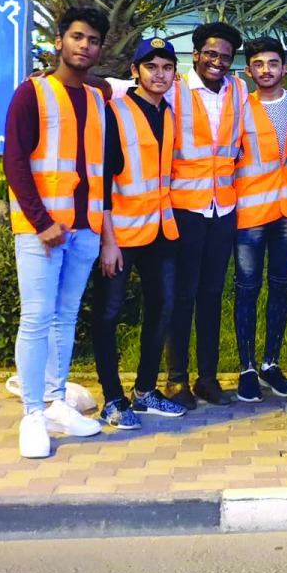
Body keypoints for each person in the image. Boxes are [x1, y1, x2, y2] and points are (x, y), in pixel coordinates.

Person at [4, 7, 108, 458]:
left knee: (65, 319)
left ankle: (57, 401)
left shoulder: (99, 98)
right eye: (78, 37)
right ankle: (31, 414)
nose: (85, 46)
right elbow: (15, 162)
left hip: (86, 229)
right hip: (42, 230)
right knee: (36, 318)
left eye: (92, 40)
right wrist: (42, 223)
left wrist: (103, 233)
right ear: (59, 41)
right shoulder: (32, 94)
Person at [94, 37, 185, 428]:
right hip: (121, 234)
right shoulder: (115, 113)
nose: (159, 74)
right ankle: (113, 399)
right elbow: (101, 181)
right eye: (151, 67)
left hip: (160, 229)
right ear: (135, 72)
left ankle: (145, 391)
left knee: (163, 307)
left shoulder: (168, 112)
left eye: (166, 68)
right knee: (109, 314)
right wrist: (108, 241)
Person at [166, 21, 248, 409]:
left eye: (225, 57)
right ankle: (177, 379)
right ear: (195, 55)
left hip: (224, 207)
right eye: (211, 54)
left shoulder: (238, 89)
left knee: (212, 295)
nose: (217, 62)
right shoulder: (174, 89)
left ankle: (208, 378)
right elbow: (118, 88)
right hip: (185, 207)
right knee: (183, 295)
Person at [232, 37, 287, 403]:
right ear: (248, 70)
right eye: (258, 64)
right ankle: (246, 368)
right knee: (247, 288)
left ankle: (271, 364)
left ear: (285, 68)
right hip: (251, 212)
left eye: (273, 63)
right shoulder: (240, 108)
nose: (266, 70)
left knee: (282, 287)